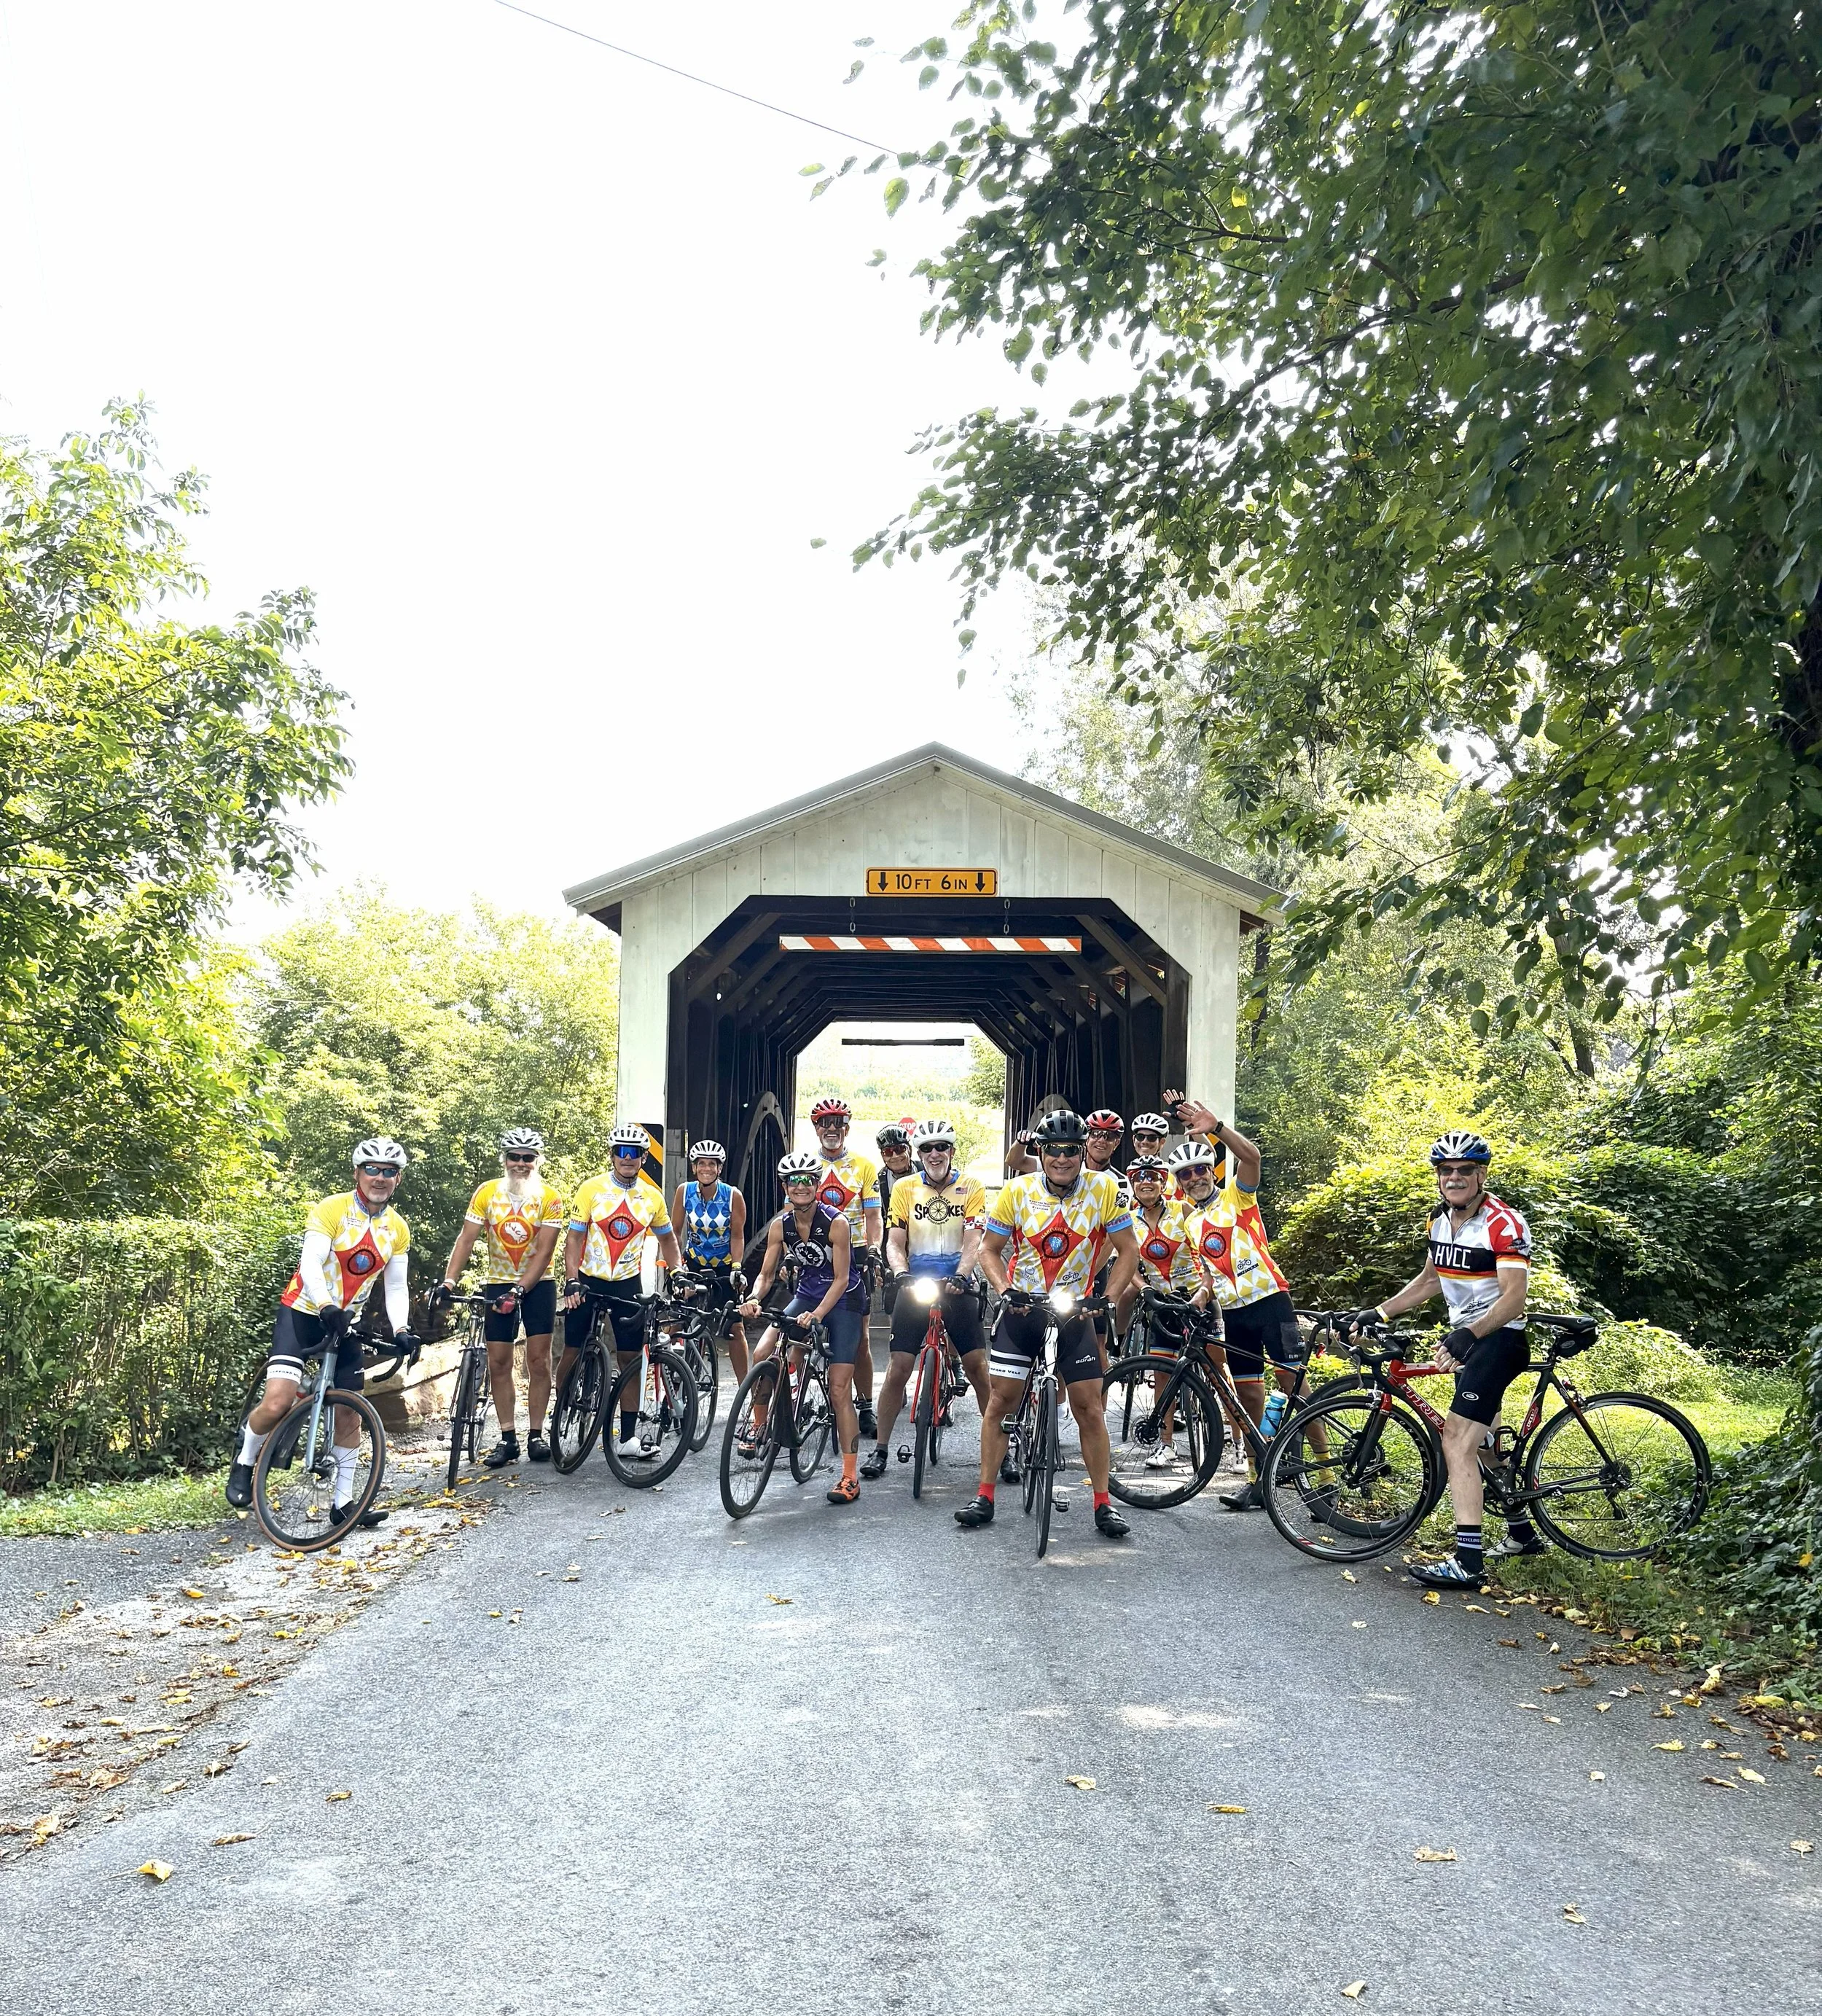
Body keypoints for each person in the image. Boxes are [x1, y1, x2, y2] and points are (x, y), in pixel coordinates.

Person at [1348, 1132, 1538, 1590]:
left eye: (1464, 1170)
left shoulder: (1504, 1224)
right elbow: (1430, 1281)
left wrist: (1468, 1334)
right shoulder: (1440, 1222)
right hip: (1471, 1340)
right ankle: (1523, 1534)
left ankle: (1469, 1562)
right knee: (1486, 1446)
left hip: (1499, 1340)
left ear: (1481, 1175)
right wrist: (1379, 1310)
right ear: (1438, 1177)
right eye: (1446, 1171)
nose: (1454, 1178)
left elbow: (1514, 1299)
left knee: (1457, 1442)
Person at [957, 1109, 1140, 1540]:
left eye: (1072, 1151)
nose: (1063, 1159)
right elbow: (989, 1250)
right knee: (1001, 1402)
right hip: (1023, 1310)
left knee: (1090, 1409)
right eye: (1054, 1151)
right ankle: (985, 1494)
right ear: (1040, 1151)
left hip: (1076, 1312)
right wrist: (1004, 1290)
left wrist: (1107, 1299)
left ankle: (1102, 1504)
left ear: (1082, 1152)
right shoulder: (1017, 1191)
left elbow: (1128, 1250)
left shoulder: (1104, 1189)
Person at [226, 1138, 421, 1525]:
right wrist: (326, 1305)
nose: (379, 1178)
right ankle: (246, 1459)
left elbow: (396, 1286)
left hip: (345, 1321)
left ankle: (343, 1505)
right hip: (303, 1311)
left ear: (397, 1179)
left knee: (350, 1414)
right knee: (279, 1402)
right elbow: (311, 1263)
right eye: (372, 1169)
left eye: (388, 1172)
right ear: (357, 1173)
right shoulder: (332, 1208)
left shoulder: (397, 1227)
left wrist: (402, 1328)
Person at [1172, 1099, 1310, 1510]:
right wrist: (1191, 1302)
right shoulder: (1190, 1222)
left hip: (1272, 1303)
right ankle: (1257, 1480)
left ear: (1211, 1170)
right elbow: (1209, 1279)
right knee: (1249, 1397)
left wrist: (1218, 1129)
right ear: (1179, 1182)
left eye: (1200, 1169)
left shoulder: (1237, 1196)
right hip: (1235, 1315)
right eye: (1185, 1174)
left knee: (1296, 1389)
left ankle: (1322, 1477)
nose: (1195, 1178)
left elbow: (1252, 1157)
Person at [861, 1117, 991, 1481]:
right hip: (917, 1281)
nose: (934, 1154)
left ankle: (1003, 1450)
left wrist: (964, 1275)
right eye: (927, 1148)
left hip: (957, 1283)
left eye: (942, 1147)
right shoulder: (905, 1187)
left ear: (952, 1151)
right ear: (919, 1154)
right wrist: (900, 1272)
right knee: (899, 1367)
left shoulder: (971, 1186)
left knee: (979, 1368)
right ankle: (881, 1449)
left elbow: (973, 1238)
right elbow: (895, 1239)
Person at [431, 1128, 565, 1468]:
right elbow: (466, 1239)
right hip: (497, 1283)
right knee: (499, 1362)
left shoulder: (549, 1197)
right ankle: (508, 1438)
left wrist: (521, 1289)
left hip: (539, 1285)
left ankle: (536, 1435)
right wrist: (448, 1281)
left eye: (528, 1158)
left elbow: (545, 1252)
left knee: (539, 1361)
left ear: (538, 1161)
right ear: (504, 1160)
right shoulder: (487, 1193)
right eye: (514, 1157)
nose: (521, 1164)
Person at [739, 1149, 867, 1505]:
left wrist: (819, 1316)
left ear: (817, 1184)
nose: (801, 1187)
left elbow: (841, 1279)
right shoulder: (781, 1225)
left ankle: (849, 1476)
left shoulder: (837, 1223)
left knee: (840, 1390)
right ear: (785, 1186)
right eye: (794, 1181)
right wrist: (753, 1299)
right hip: (808, 1295)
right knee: (764, 1351)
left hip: (842, 1302)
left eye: (808, 1180)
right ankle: (760, 1425)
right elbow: (765, 1274)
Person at [563, 1124, 684, 1464]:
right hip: (588, 1280)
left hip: (627, 1284)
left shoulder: (653, 1197)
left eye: (635, 1154)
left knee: (631, 1358)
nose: (628, 1159)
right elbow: (573, 1239)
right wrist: (572, 1279)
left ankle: (628, 1437)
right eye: (622, 1152)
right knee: (572, 1350)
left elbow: (667, 1239)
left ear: (645, 1158)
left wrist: (676, 1272)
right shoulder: (592, 1189)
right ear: (613, 1155)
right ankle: (564, 1410)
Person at [809, 1098, 882, 1438]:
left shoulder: (864, 1167)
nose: (832, 1130)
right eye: (825, 1123)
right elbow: (786, 1216)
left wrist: (874, 1249)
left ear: (847, 1129)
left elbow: (873, 1217)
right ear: (816, 1129)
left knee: (860, 1339)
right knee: (802, 1330)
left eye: (838, 1123)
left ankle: (865, 1406)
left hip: (853, 1254)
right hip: (815, 1251)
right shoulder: (806, 1166)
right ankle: (800, 1398)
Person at [671, 1138, 750, 1386]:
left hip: (724, 1268)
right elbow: (674, 1231)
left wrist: (737, 1268)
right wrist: (675, 1268)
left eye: (712, 1165)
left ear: (720, 1168)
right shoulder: (684, 1192)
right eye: (701, 1164)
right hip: (693, 1265)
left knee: (735, 1329)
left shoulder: (732, 1196)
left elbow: (737, 1235)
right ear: (694, 1168)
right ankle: (672, 1375)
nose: (706, 1169)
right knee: (675, 1320)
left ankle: (744, 1388)